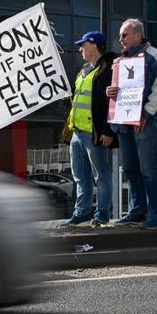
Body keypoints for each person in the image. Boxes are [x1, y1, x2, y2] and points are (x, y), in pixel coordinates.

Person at [106, 18, 157, 230]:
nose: (120, 39)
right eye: (120, 35)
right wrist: (110, 91)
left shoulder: (154, 55)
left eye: (124, 35)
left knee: (148, 168)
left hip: (145, 122)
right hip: (124, 122)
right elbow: (118, 90)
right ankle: (138, 210)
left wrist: (146, 113)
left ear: (138, 35)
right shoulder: (120, 60)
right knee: (131, 168)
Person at [61, 31, 118, 227]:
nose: (80, 49)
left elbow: (110, 103)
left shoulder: (107, 69)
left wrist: (108, 130)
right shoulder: (83, 71)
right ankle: (81, 213)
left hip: (94, 133)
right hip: (77, 132)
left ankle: (102, 215)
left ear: (94, 46)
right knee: (80, 176)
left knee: (100, 176)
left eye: (83, 45)